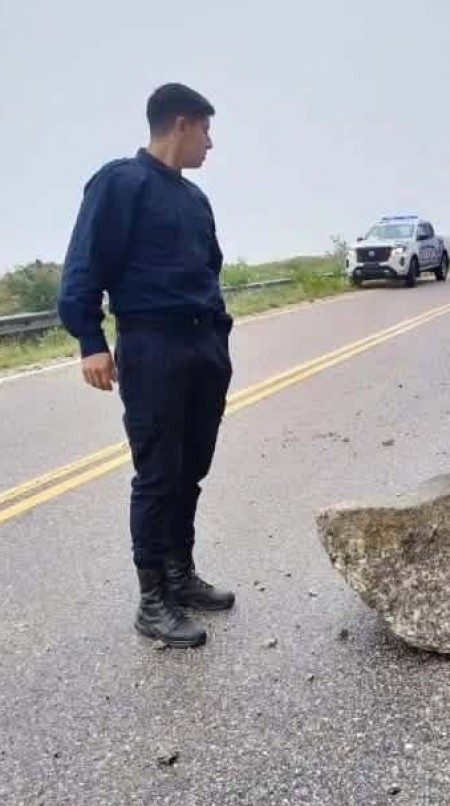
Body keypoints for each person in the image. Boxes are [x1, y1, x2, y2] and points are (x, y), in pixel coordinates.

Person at [58, 83, 235, 648]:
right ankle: (153, 601)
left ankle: (180, 575)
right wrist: (91, 339)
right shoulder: (121, 182)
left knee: (191, 468)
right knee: (158, 474)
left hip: (204, 345)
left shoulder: (194, 199)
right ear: (181, 124)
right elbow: (85, 264)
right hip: (153, 345)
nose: (210, 143)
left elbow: (209, 268)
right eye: (206, 130)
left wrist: (219, 337)